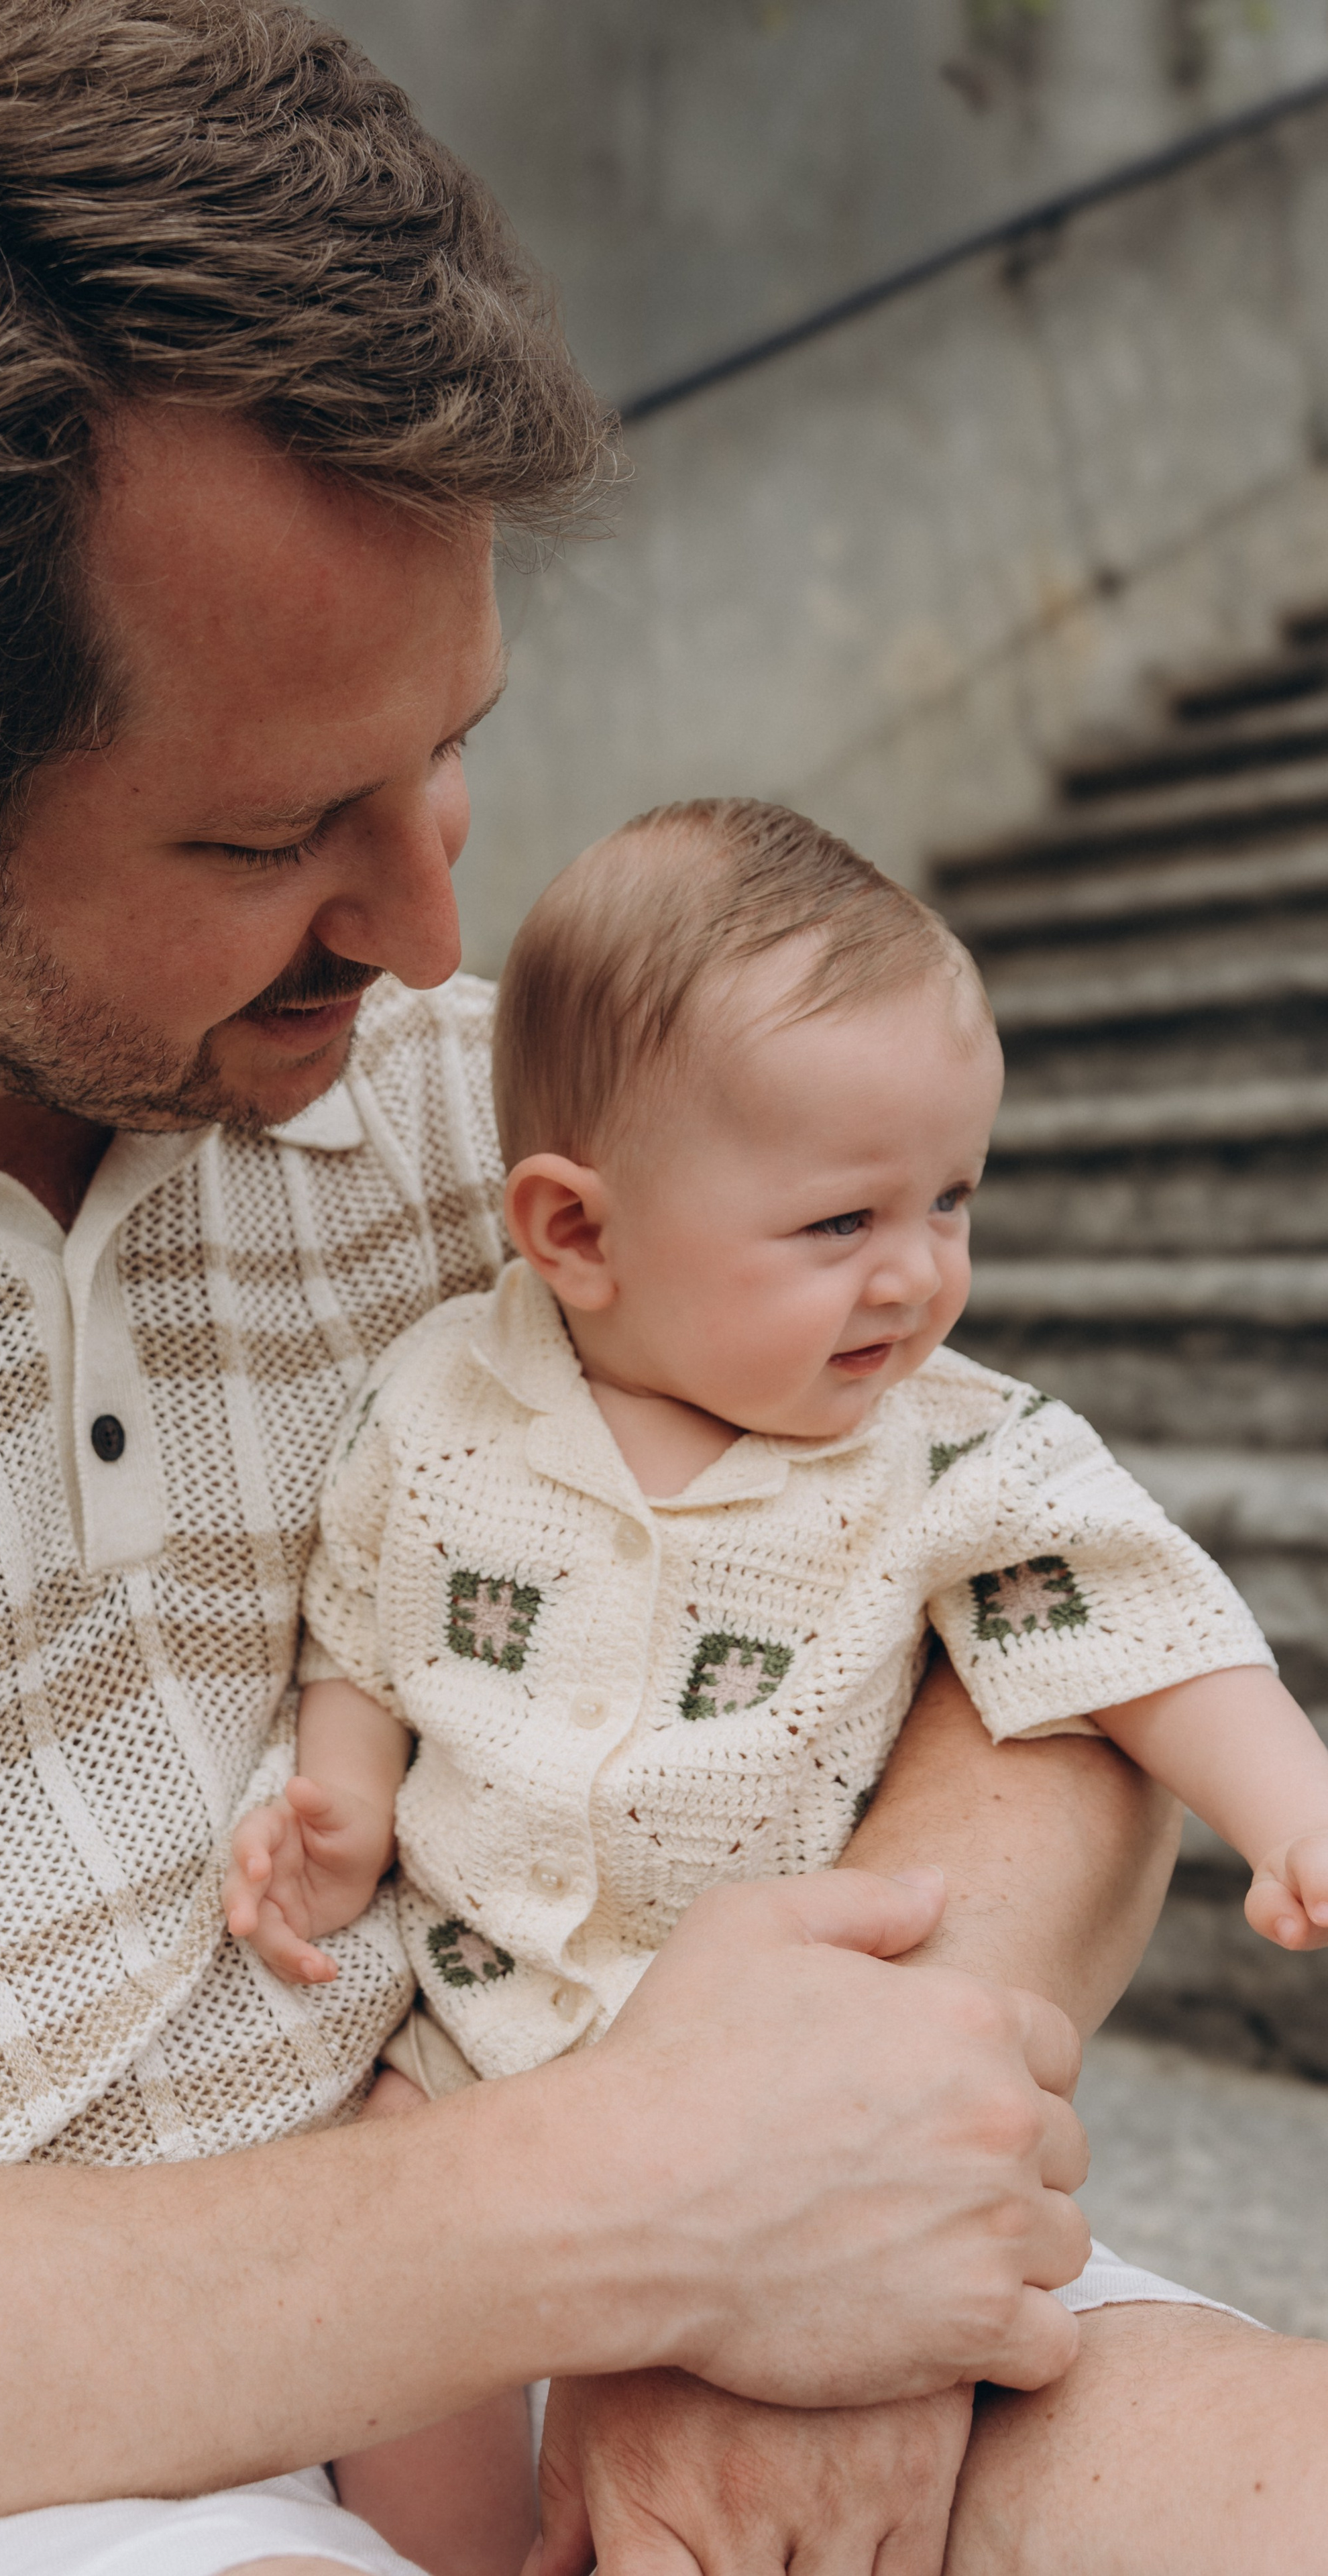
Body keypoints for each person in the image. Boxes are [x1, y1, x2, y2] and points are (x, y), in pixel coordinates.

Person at [0, 6, 1319, 2575]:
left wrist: (802, 2249)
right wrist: (620, 2228)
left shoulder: (467, 1116)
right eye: (281, 828)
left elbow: (1019, 1638)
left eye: (451, 752)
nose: (428, 936)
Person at [223, 798, 1328, 2572]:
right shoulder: (443, 1400)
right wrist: (342, 1794)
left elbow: (1139, 1622)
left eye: (952, 1198)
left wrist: (1289, 1805)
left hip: (786, 2118)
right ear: (575, 1233)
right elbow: (365, 1611)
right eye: (840, 1223)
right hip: (466, 2079)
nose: (919, 1273)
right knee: (413, 2416)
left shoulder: (948, 1446)